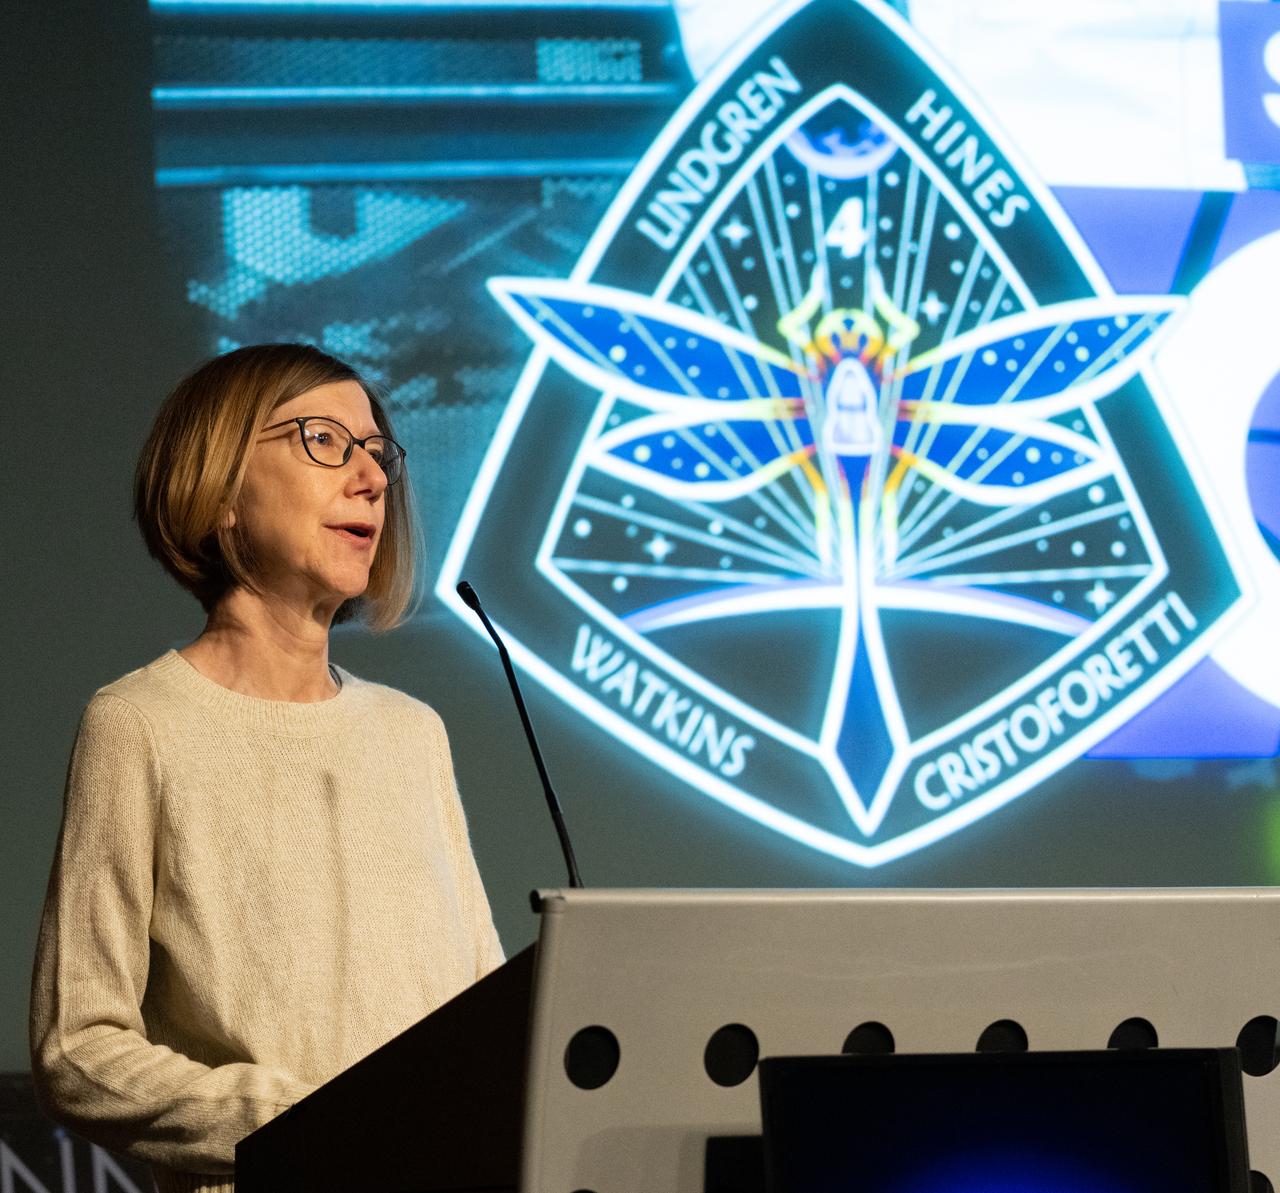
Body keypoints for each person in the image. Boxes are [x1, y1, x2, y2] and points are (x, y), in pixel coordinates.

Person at [29, 343, 504, 1193]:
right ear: (218, 487)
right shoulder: (140, 725)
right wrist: (304, 1121)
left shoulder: (413, 733)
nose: (370, 478)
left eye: (378, 452)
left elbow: (487, 1021)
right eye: (325, 440)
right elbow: (78, 1047)